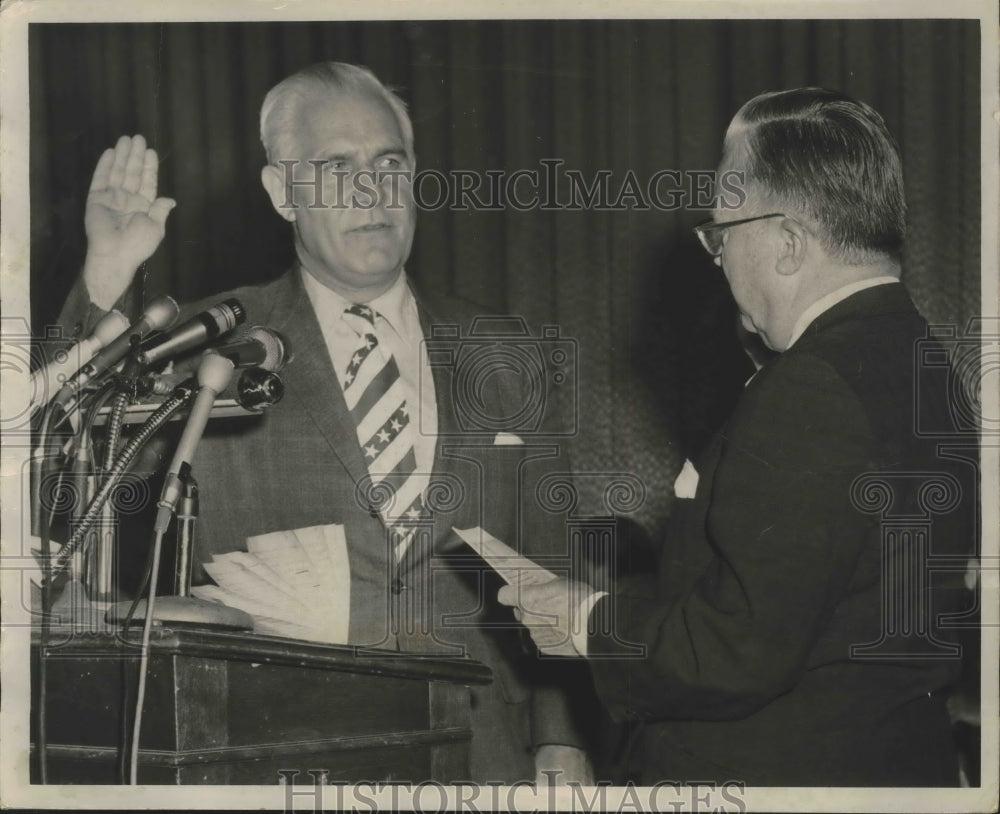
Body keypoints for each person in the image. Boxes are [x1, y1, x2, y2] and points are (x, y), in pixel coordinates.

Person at [57, 61, 589, 784]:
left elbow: (553, 557)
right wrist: (106, 278)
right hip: (286, 755)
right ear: (283, 192)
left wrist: (564, 737)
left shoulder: (504, 353)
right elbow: (67, 447)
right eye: (337, 167)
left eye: (389, 163)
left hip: (484, 759)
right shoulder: (212, 345)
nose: (372, 191)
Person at [500, 87, 976, 786]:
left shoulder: (812, 388)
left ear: (786, 243)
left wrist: (586, 620)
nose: (717, 258)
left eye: (721, 233)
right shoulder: (926, 364)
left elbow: (738, 647)